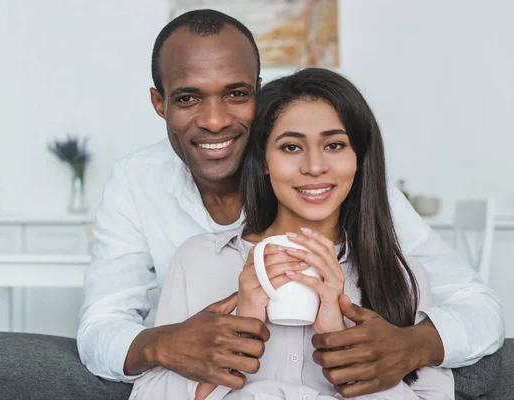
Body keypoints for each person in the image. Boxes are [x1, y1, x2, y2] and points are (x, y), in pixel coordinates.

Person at [77, 9, 504, 398]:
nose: (214, 120)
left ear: (258, 94)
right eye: (188, 98)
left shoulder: (345, 186)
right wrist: (166, 343)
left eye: (236, 94)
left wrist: (409, 345)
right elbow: (102, 325)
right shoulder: (142, 189)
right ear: (160, 103)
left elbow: (474, 307)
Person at [130, 66, 457, 400]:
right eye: (290, 147)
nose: (314, 167)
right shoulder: (198, 260)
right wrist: (242, 332)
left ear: (358, 159)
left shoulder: (402, 276)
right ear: (264, 160)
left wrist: (340, 341)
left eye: (334, 145)